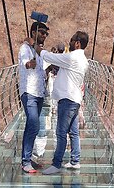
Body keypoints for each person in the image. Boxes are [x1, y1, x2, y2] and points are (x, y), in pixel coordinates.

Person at [37, 31, 90, 174]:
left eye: (72, 40)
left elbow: (52, 57)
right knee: (73, 133)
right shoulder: (83, 60)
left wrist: (39, 50)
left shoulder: (73, 57)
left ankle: (56, 164)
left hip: (67, 100)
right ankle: (75, 161)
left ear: (77, 43)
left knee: (61, 132)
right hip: (75, 99)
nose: (70, 43)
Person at [17, 14, 50, 174]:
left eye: (46, 34)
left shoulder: (40, 52)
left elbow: (41, 73)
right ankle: (25, 161)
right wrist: (31, 62)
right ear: (33, 32)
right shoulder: (25, 48)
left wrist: (48, 70)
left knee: (31, 126)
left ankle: (27, 160)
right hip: (29, 92)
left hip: (38, 93)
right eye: (42, 32)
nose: (44, 35)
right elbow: (27, 65)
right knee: (35, 125)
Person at [33, 46, 62, 161]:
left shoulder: (58, 62)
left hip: (50, 96)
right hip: (47, 96)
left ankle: (40, 153)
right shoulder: (49, 63)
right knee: (47, 124)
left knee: (46, 124)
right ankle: (48, 152)